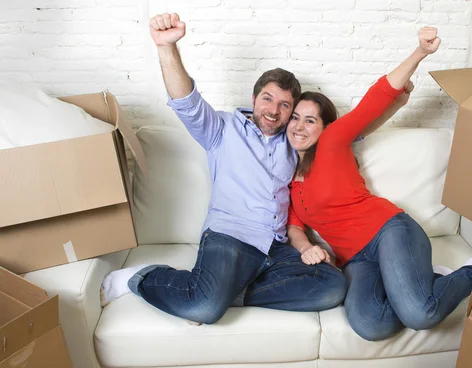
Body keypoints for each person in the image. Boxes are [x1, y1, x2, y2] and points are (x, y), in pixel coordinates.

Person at [100, 13, 347, 324]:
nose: (273, 110)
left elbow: (345, 132)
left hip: (275, 246)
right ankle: (142, 277)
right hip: (231, 238)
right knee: (203, 308)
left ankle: (226, 292)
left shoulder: (296, 141)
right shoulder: (222, 129)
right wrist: (166, 48)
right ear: (254, 98)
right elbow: (186, 102)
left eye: (285, 105)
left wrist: (394, 100)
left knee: (332, 286)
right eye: (268, 99)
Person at [285, 27, 472, 341]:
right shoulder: (288, 180)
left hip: (388, 232)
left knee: (420, 314)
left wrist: (420, 53)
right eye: (295, 117)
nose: (299, 126)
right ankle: (423, 282)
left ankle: (471, 274)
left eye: (310, 120)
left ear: (325, 127)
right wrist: (307, 247)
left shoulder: (333, 144)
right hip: (356, 260)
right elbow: (293, 226)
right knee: (370, 325)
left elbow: (373, 102)